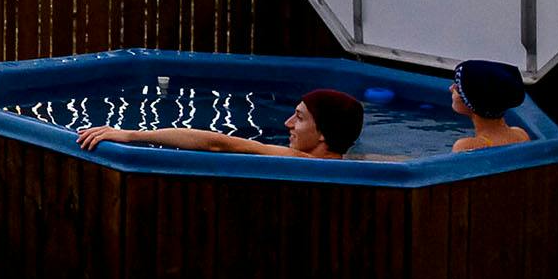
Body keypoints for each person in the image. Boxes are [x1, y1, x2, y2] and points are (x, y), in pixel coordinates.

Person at [77, 87, 364, 159]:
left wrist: (132, 135)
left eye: (299, 118)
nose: (288, 123)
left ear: (324, 134)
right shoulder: (353, 165)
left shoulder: (299, 159)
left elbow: (217, 142)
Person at [449, 59, 530, 151]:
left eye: (458, 88)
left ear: (470, 102)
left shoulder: (466, 146)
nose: (451, 88)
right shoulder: (520, 135)